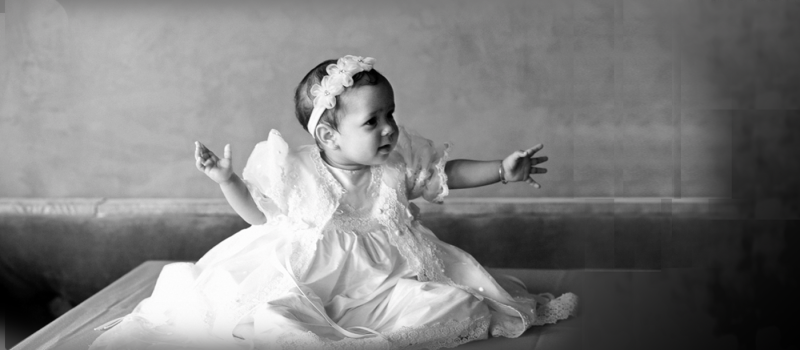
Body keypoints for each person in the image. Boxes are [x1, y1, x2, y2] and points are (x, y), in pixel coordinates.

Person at [89, 55, 577, 350]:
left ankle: (382, 334)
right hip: (314, 282)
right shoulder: (297, 168)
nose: (389, 128)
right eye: (372, 121)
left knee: (456, 303)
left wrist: (499, 169)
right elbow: (260, 217)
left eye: (391, 114)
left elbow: (444, 173)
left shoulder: (396, 163)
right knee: (274, 314)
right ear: (328, 134)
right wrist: (227, 180)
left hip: (389, 281)